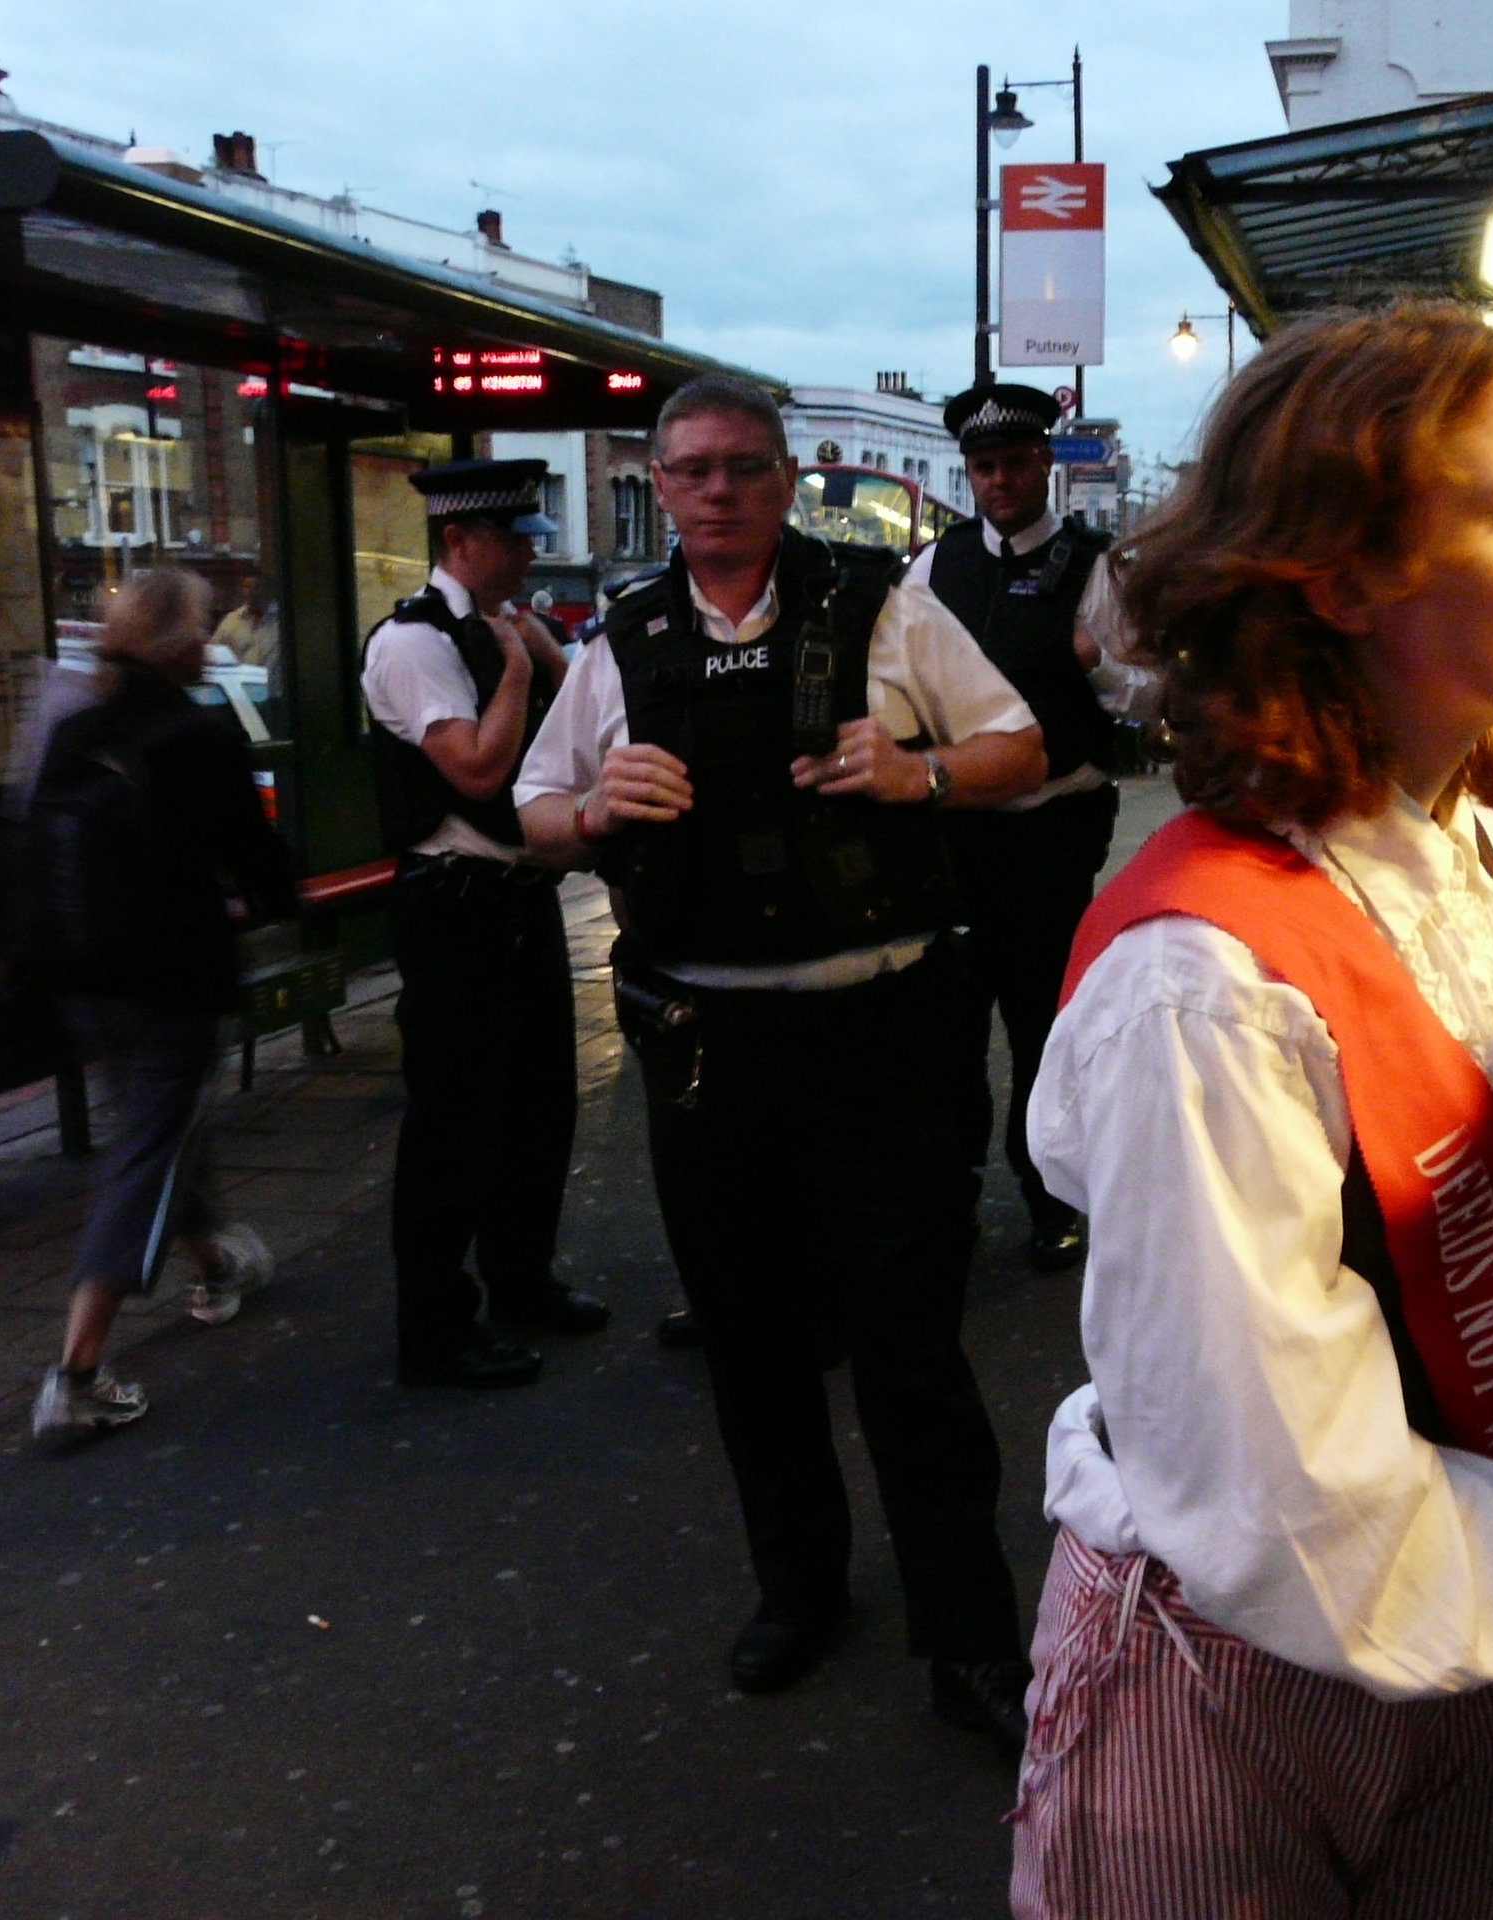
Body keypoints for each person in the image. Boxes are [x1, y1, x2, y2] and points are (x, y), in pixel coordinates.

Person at [1011, 301, 1493, 1918]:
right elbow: (1270, 1496)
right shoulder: (1202, 986)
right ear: (1339, 581)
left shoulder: (1478, 856)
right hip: (1237, 1674)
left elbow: (1441, 1201)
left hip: (1465, 1618)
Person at [514, 373, 1048, 1743]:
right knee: (750, 1346)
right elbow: (532, 811)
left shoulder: (886, 602)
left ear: (786, 476)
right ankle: (796, 1590)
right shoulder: (622, 636)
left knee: (908, 1347)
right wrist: (586, 807)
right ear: (657, 482)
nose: (718, 492)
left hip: (882, 1031)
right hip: (707, 1047)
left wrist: (922, 770)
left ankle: (970, 1636)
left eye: (744, 468)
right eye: (691, 471)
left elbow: (1020, 746)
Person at [17, 568, 293, 1448]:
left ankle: (215, 1266)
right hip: (173, 981)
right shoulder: (197, 737)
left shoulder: (76, 728)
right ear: (178, 645)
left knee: (162, 1128)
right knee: (147, 1155)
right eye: (204, 628)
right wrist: (253, 902)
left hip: (87, 983)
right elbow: (262, 872)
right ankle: (76, 1376)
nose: (212, 641)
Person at [360, 457, 610, 1391]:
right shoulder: (413, 642)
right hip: (454, 903)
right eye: (509, 540)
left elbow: (579, 728)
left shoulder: (510, 625)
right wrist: (517, 669)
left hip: (519, 896)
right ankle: (435, 1328)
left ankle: (521, 1275)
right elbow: (474, 768)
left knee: (540, 1104)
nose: (524, 558)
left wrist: (545, 659)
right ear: (459, 541)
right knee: (453, 1125)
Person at [909, 381, 1153, 1269]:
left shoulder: (1095, 569)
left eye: (1015, 462)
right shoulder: (933, 569)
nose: (1000, 479)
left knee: (1044, 1027)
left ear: (1044, 463)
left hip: (1049, 839)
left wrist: (1095, 663)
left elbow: (1151, 693)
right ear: (968, 473)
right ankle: (954, 1191)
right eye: (984, 466)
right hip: (954, 832)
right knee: (948, 1026)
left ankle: (1052, 1200)